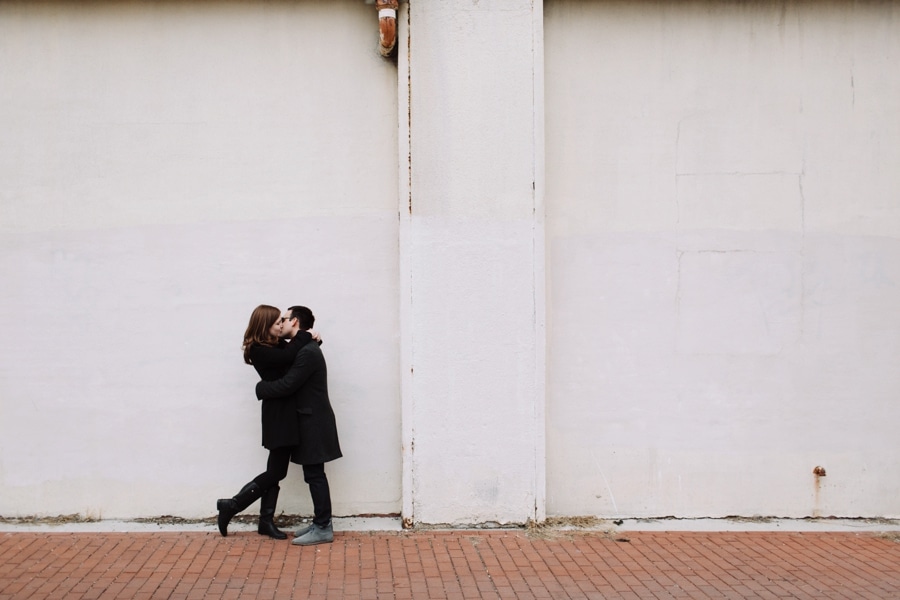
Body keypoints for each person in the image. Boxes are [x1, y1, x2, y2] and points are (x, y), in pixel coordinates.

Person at [215, 304, 319, 539]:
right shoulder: (258, 349)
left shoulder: (276, 345)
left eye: (282, 321)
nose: (281, 325)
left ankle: (264, 522)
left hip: (286, 411)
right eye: (277, 323)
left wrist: (314, 340)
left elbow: (297, 356)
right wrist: (305, 334)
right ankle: (232, 505)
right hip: (278, 414)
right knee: (276, 472)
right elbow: (289, 356)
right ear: (265, 325)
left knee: (275, 470)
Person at [256, 305, 342, 546]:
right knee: (313, 474)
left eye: (283, 319)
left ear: (294, 322)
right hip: (308, 419)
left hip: (313, 421)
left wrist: (260, 389)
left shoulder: (306, 352)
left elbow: (287, 385)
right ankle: (320, 522)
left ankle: (324, 527)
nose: (280, 324)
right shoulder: (304, 349)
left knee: (315, 475)